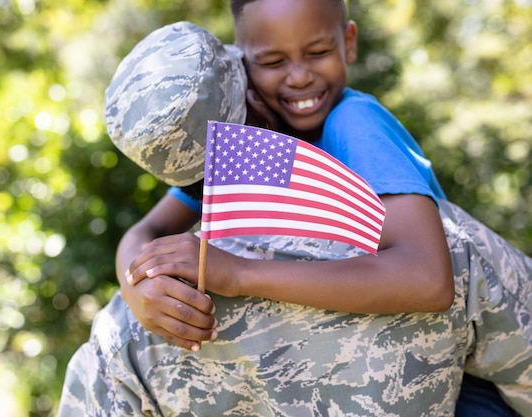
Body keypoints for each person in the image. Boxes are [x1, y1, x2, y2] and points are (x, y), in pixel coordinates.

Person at [57, 4, 532, 416]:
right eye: (272, 61)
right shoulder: (251, 154)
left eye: (317, 53)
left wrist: (238, 274)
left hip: (466, 381)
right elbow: (149, 229)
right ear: (244, 69)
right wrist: (140, 288)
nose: (299, 76)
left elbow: (428, 277)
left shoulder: (353, 124)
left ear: (348, 42)